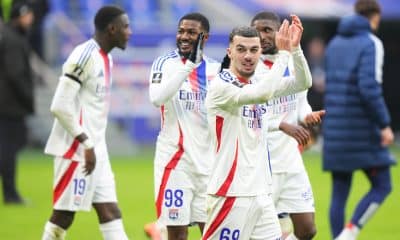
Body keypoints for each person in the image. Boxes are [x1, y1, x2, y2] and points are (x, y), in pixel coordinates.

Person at [202, 19, 312, 239]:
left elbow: (303, 83)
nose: (248, 56)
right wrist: (283, 56)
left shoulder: (256, 84)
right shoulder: (221, 86)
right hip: (231, 193)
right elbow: (263, 95)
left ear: (260, 51)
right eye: (241, 49)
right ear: (229, 52)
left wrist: (295, 49)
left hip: (261, 193)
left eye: (254, 50)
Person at [41, 5, 132, 240]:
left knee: (110, 211)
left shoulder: (107, 59)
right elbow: (59, 105)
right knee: (63, 216)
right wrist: (86, 142)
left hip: (96, 149)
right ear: (112, 29)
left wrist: (94, 145)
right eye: (125, 27)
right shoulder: (83, 55)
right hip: (77, 149)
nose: (129, 32)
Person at [323, 0, 395, 239]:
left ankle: (338, 237)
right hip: (362, 130)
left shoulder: (334, 43)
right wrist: (384, 124)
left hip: (335, 129)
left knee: (339, 193)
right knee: (383, 185)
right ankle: (349, 233)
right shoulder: (371, 43)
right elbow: (368, 88)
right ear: (374, 16)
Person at [251, 12, 325, 240]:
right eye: (256, 31)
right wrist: (282, 125)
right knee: (257, 231)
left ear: (280, 33)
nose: (261, 36)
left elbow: (301, 98)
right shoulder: (250, 68)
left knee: (307, 229)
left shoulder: (292, 61)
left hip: (291, 161)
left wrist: (306, 115)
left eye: (267, 30)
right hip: (263, 163)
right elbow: (251, 116)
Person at [148, 12, 220, 240]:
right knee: (178, 234)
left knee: (212, 233)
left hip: (209, 166)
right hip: (175, 164)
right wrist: (188, 66)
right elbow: (156, 97)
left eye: (191, 32)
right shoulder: (164, 63)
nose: (184, 36)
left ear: (204, 37)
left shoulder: (217, 70)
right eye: (181, 31)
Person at [0, 1, 34, 204]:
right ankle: (10, 194)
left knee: (9, 147)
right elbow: (15, 74)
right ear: (19, 16)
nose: (31, 19)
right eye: (28, 15)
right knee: (8, 149)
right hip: (10, 104)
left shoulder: (8, 35)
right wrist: (28, 96)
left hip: (7, 103)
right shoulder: (13, 39)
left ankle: (10, 192)